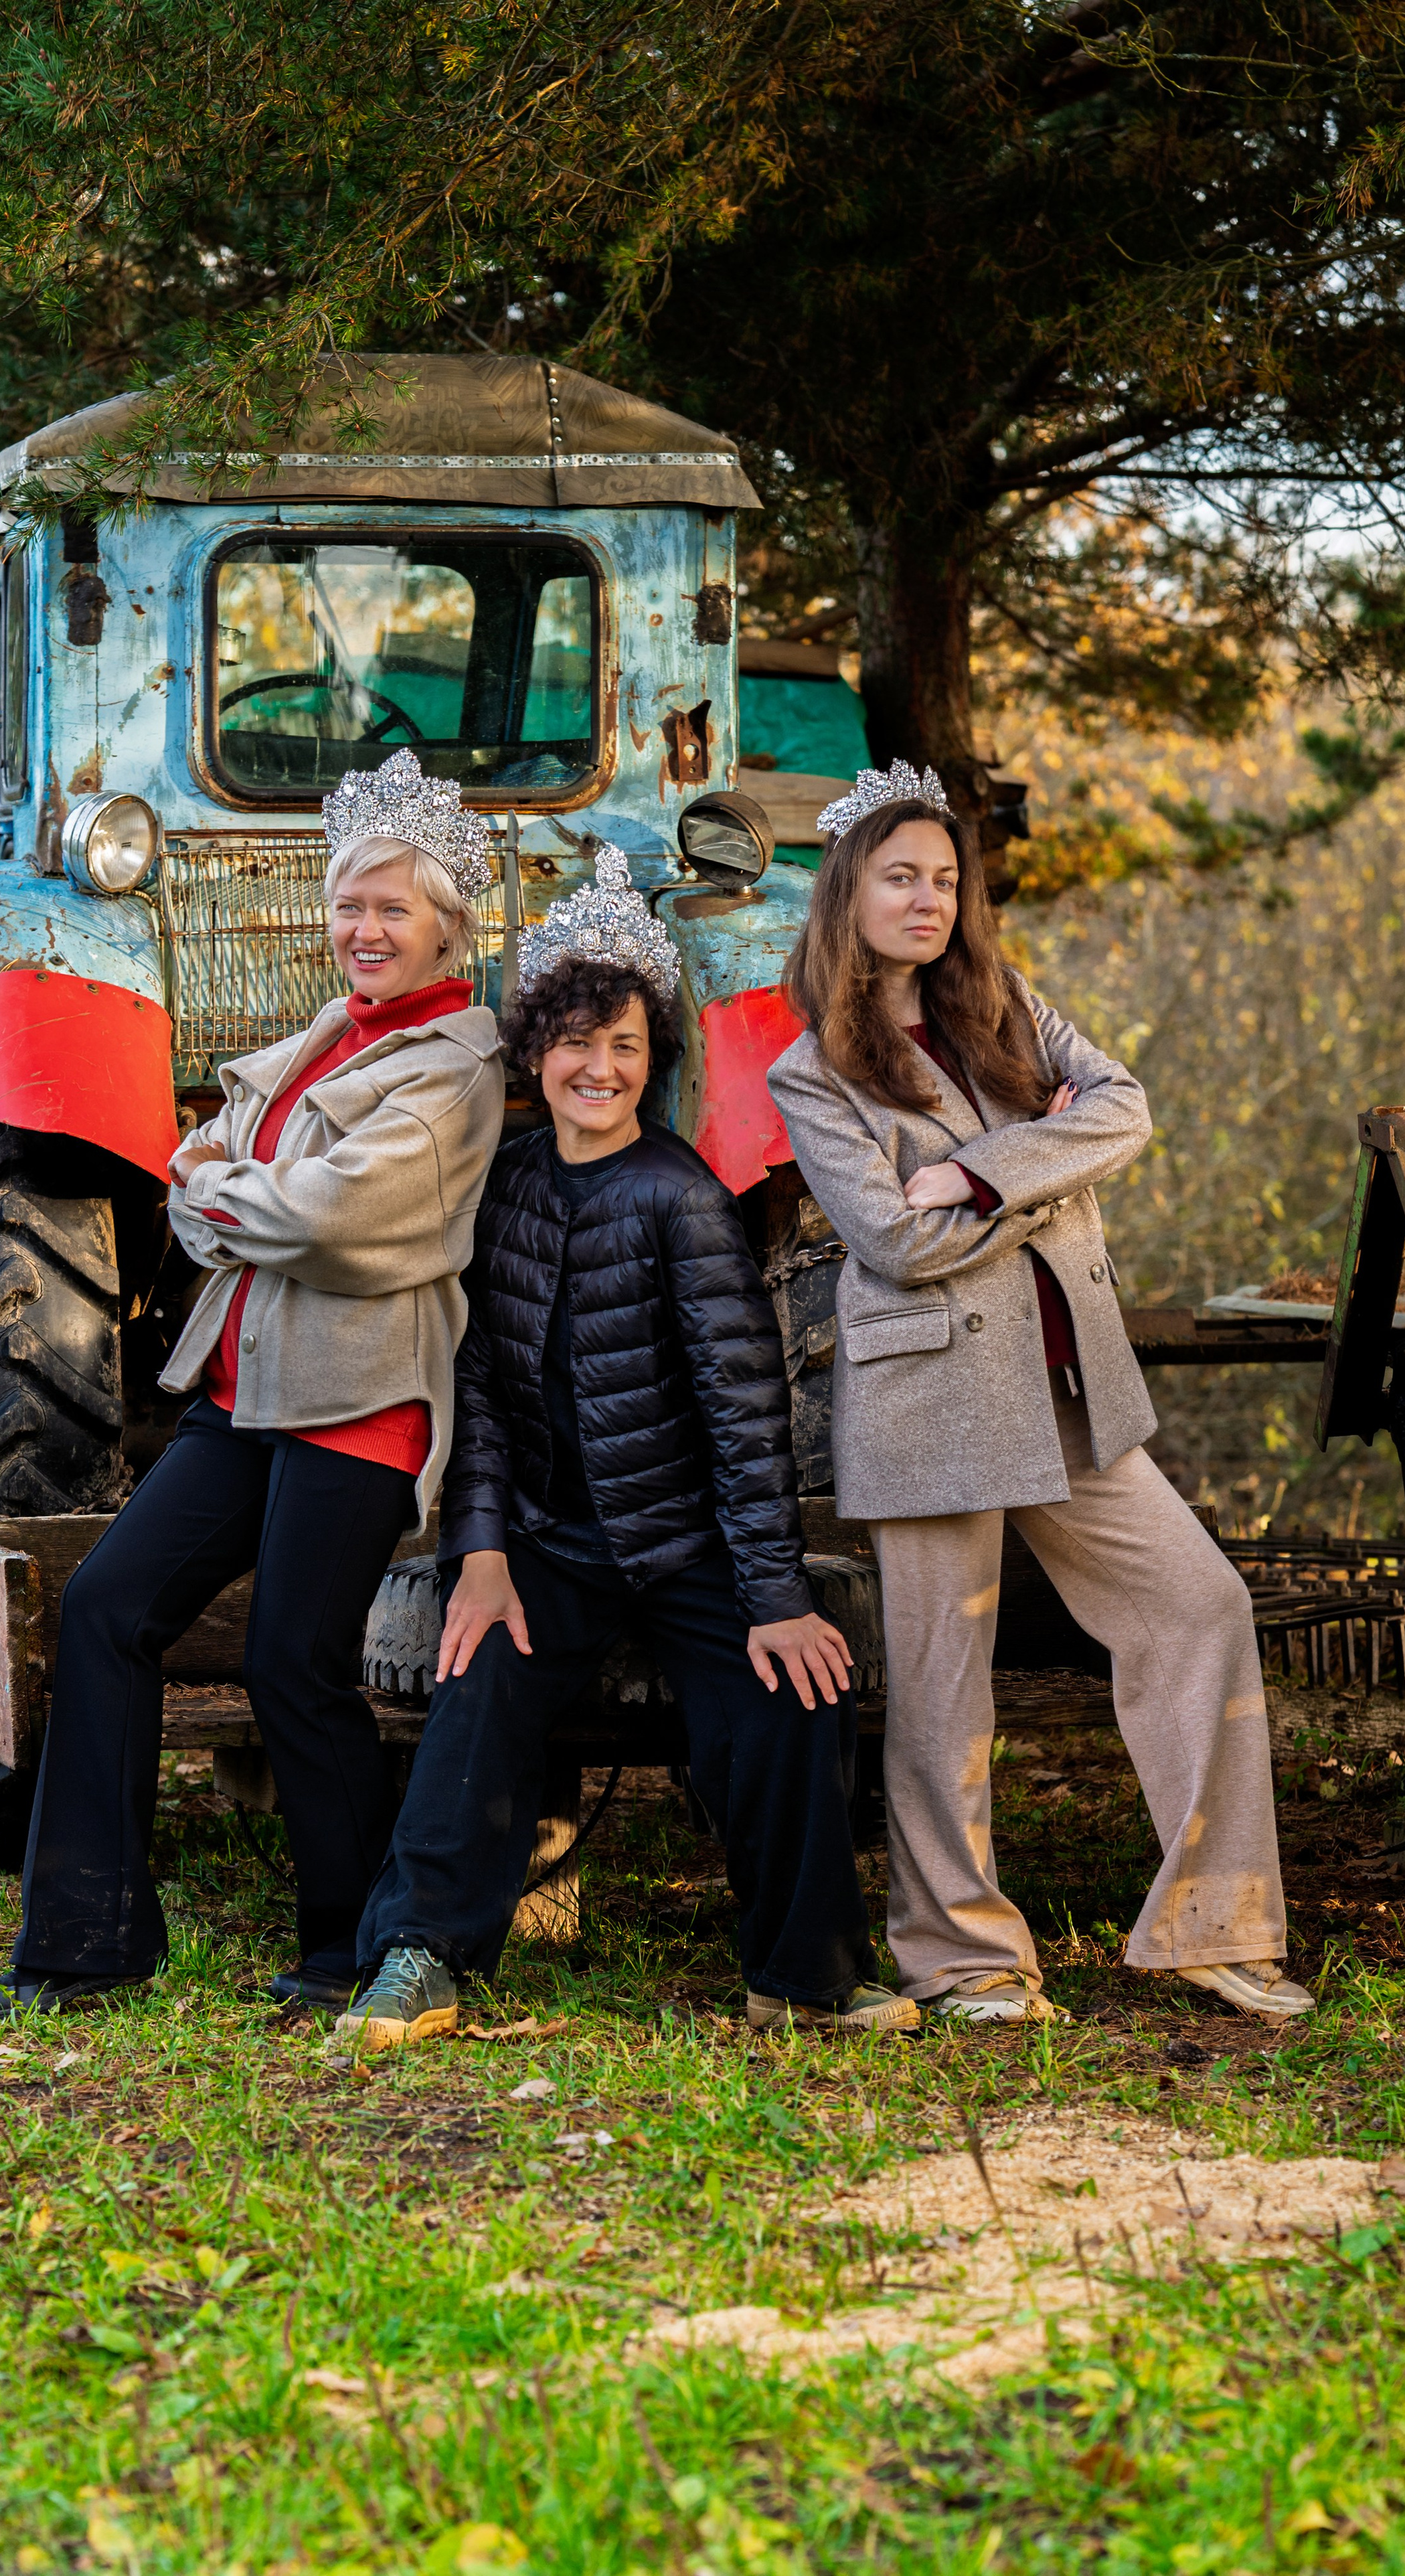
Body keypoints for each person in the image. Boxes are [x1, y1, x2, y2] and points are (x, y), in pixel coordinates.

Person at [337, 846, 917, 2051]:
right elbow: (480, 1392)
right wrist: (480, 1552)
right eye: (575, 1043)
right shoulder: (504, 1190)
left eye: (626, 1047)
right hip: (551, 1538)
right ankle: (418, 1958)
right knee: (475, 1684)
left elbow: (744, 1414)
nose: (598, 1068)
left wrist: (772, 1596)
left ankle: (805, 1975)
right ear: (534, 1054)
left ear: (654, 1065)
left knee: (791, 1696)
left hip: (689, 1542)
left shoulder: (682, 1198)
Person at [0, 748, 505, 2015]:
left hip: (359, 1404)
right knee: (108, 1609)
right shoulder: (329, 1037)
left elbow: (321, 1214)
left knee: (292, 1665)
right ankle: (84, 1943)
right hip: (246, 1390)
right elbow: (207, 1160)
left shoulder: (452, 1069)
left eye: (393, 909)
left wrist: (225, 1191)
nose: (365, 930)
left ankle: (353, 1949)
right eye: (349, 906)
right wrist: (227, 1190)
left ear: (445, 928)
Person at [766, 760, 1312, 2027]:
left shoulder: (1008, 1004)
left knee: (1200, 1606)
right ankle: (961, 1959)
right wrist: (1046, 1173)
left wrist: (977, 1175)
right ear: (848, 894)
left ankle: (1216, 1924)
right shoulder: (814, 1071)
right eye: (900, 877)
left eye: (945, 879)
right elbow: (890, 1244)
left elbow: (1124, 1110)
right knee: (941, 1687)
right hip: (930, 1399)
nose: (928, 900)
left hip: (1071, 1391)